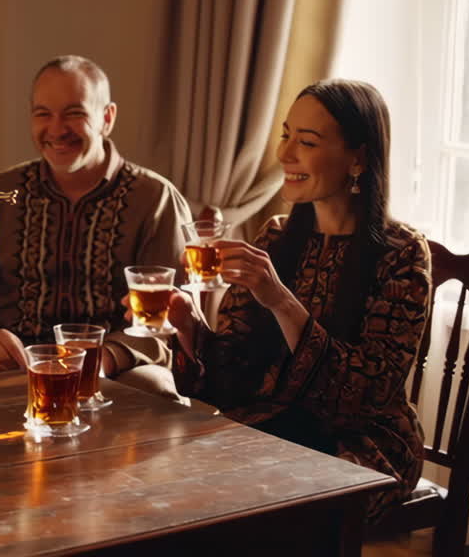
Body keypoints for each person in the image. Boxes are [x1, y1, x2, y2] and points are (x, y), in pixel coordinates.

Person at [166, 80, 430, 523]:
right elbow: (234, 378)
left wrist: (281, 301)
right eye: (286, 135)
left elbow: (367, 395)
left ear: (358, 158)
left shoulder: (401, 254)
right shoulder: (275, 236)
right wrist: (191, 328)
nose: (284, 154)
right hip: (274, 427)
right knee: (167, 479)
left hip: (365, 447)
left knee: (256, 503)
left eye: (306, 141)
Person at [0, 55, 192, 398]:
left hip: (115, 367)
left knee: (155, 391)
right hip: (14, 363)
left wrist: (102, 360)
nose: (57, 129)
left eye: (74, 113)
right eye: (43, 114)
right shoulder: (0, 191)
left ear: (107, 118)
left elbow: (170, 314)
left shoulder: (155, 199)